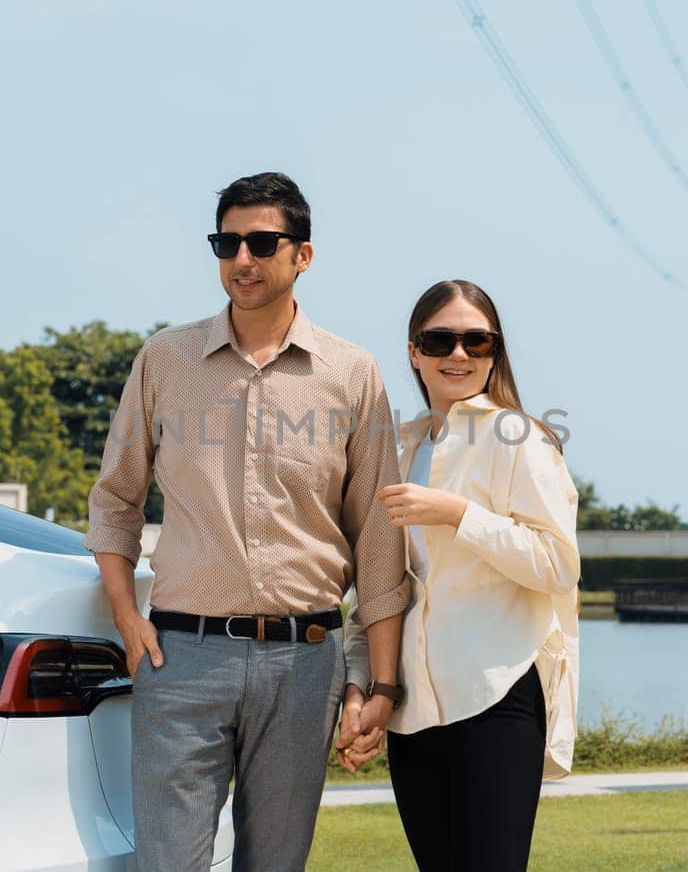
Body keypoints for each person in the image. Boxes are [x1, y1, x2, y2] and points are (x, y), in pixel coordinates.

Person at [84, 172, 409, 870]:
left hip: (304, 663)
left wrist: (381, 685)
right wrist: (125, 615)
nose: (242, 259)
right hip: (181, 658)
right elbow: (115, 501)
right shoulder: (165, 361)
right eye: (226, 242)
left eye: (262, 242)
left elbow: (380, 539)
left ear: (303, 256)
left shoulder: (353, 375)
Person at [338, 279, 581, 872]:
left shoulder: (519, 440)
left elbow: (558, 564)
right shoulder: (399, 447)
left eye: (477, 341)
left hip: (495, 696)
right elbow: (380, 587)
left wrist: (460, 515)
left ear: (495, 352)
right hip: (412, 713)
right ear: (414, 352)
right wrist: (361, 683)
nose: (459, 354)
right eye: (440, 339)